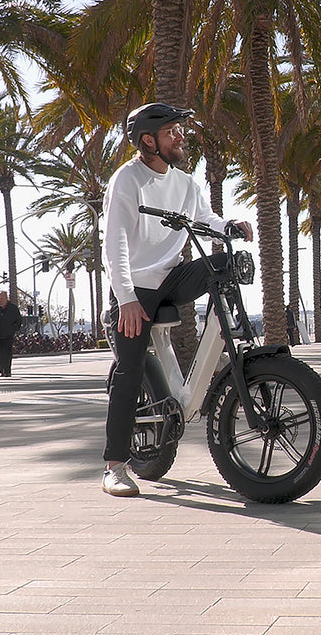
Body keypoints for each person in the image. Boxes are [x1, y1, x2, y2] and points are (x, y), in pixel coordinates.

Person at [100, 102, 253, 498]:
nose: (181, 136)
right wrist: (127, 299)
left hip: (171, 277)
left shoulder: (185, 182)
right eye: (172, 131)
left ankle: (231, 342)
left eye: (180, 130)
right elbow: (114, 244)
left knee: (226, 262)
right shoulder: (126, 180)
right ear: (148, 141)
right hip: (135, 288)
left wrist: (229, 225)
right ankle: (115, 466)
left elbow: (206, 218)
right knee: (129, 371)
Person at [0, 290, 23, 377]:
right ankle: (1, 371)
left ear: (6, 298)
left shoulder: (13, 308)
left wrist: (13, 330)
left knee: (7, 353)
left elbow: (18, 321)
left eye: (2, 298)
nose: (0, 300)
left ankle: (7, 371)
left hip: (8, 335)